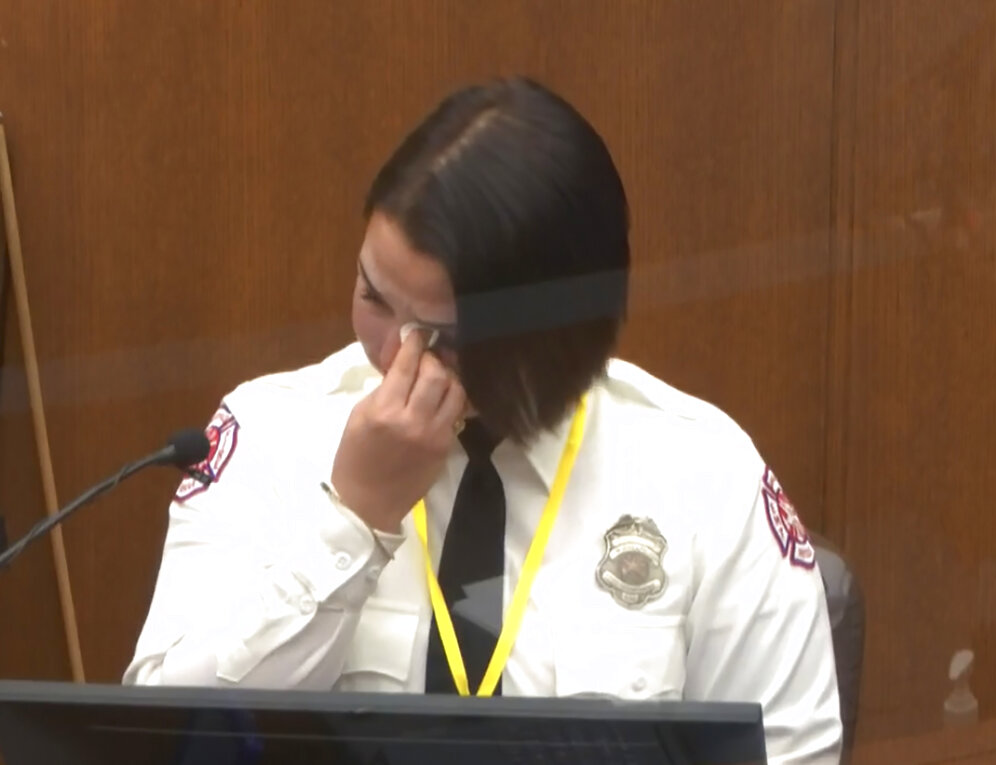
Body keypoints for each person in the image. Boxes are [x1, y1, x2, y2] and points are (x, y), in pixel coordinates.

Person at [124, 76, 842, 763]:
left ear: (559, 335)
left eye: (442, 337)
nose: (392, 355)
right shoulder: (271, 433)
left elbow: (789, 752)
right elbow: (164, 739)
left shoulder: (703, 474)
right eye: (374, 296)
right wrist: (352, 520)